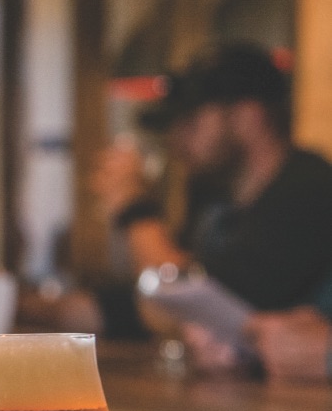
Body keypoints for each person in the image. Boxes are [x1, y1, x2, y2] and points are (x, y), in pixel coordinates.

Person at [91, 43, 332, 381]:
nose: (175, 140)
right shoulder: (215, 203)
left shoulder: (310, 189)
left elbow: (193, 297)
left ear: (248, 117)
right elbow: (176, 311)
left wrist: (135, 207)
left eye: (190, 121)